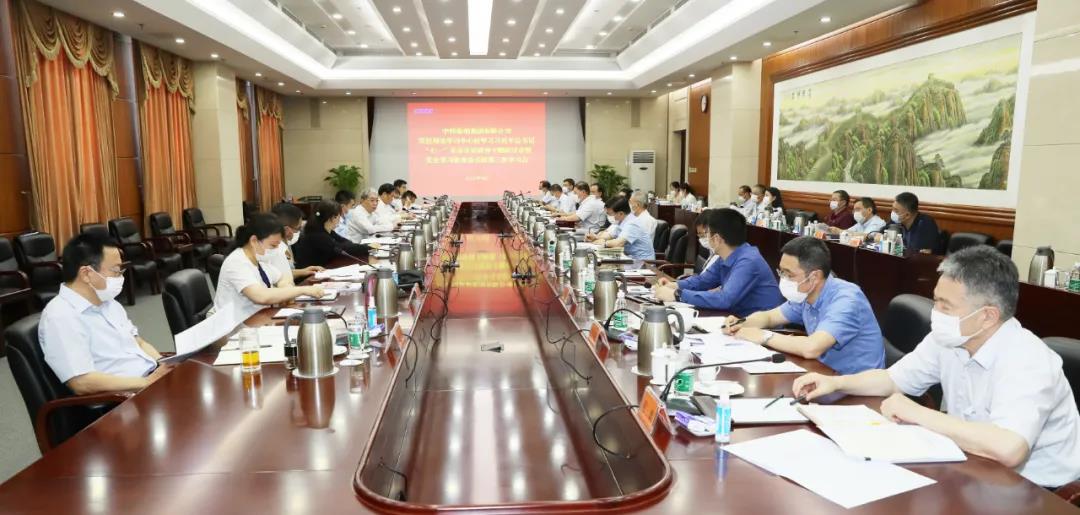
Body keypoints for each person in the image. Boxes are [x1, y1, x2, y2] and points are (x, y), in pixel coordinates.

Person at [792, 246, 1080, 488]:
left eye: (945, 306)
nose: (935, 312)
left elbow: (1009, 448)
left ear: (987, 316)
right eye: (936, 300)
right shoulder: (950, 339)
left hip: (1037, 489)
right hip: (972, 466)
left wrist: (917, 413)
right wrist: (838, 383)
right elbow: (892, 380)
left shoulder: (1028, 359)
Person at [724, 236, 884, 374]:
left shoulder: (847, 300)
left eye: (789, 274)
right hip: (823, 374)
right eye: (781, 272)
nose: (783, 279)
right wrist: (741, 323)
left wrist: (764, 336)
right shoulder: (805, 293)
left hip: (856, 386)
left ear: (814, 277)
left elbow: (811, 348)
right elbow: (770, 317)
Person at [38, 234, 170, 394]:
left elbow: (138, 343)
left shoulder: (108, 302)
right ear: (86, 274)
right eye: (116, 271)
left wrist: (163, 364)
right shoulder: (60, 316)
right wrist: (147, 382)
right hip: (125, 397)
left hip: (149, 381)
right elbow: (81, 382)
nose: (121, 277)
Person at [655, 209, 784, 316]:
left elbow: (725, 299)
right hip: (737, 318)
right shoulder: (726, 256)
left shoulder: (748, 261)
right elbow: (703, 281)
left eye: (707, 233)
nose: (705, 238)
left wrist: (678, 295)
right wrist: (675, 285)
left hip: (762, 328)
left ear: (716, 238)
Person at [215, 213, 325, 316]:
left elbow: (282, 276)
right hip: (235, 323)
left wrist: (285, 287)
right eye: (273, 245)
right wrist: (303, 290)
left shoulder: (258, 259)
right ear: (254, 240)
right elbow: (261, 296)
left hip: (257, 317)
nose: (276, 250)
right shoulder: (237, 262)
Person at [294, 201, 369, 268]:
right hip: (310, 276)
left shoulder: (326, 230)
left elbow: (346, 242)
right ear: (333, 217)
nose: (340, 219)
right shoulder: (317, 235)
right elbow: (343, 248)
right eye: (339, 216)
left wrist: (365, 247)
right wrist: (369, 247)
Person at [270, 202, 324, 283]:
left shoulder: (283, 243)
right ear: (287, 229)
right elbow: (281, 278)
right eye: (298, 228)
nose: (299, 232)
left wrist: (304, 271)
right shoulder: (276, 248)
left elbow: (284, 272)